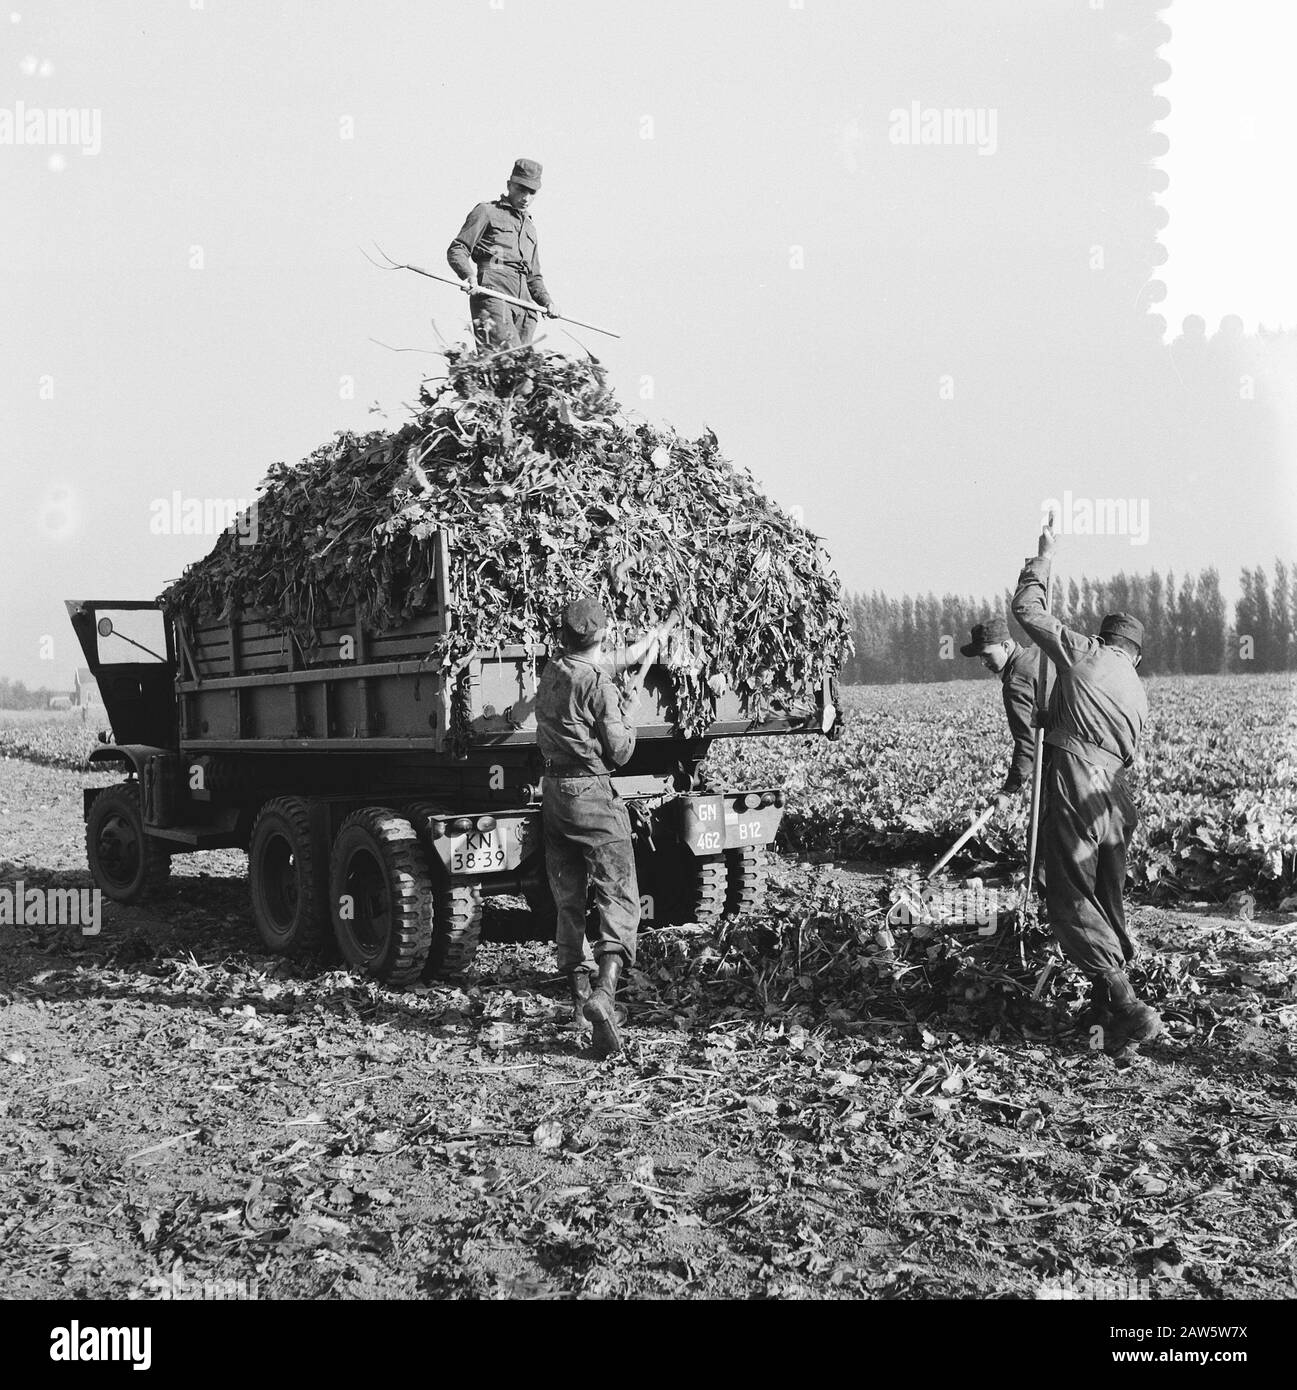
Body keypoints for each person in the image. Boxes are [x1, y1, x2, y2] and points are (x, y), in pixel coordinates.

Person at [1012, 519, 1161, 1050]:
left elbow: (1028, 614)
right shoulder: (1138, 690)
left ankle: (1123, 998)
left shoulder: (1087, 653)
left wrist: (1043, 556)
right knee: (1106, 895)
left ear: (1105, 639)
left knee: (1070, 892)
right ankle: (1108, 1013)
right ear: (1137, 655)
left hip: (1079, 779)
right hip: (1118, 797)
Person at [535, 597, 676, 1059]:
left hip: (553, 797)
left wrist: (640, 650)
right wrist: (628, 712)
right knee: (619, 895)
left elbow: (595, 664)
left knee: (569, 898)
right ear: (600, 635)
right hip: (591, 797)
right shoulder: (599, 687)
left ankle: (579, 999)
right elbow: (619, 752)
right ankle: (605, 992)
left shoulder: (552, 673)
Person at [446, 158, 560, 350]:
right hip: (494, 296)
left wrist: (548, 302)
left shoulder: (530, 229)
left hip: (525, 307)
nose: (525, 197)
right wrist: (468, 275)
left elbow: (533, 277)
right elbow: (458, 248)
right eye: (521, 189)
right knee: (511, 362)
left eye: (531, 192)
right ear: (509, 185)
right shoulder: (487, 211)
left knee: (523, 372)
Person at [960, 616, 1037, 811]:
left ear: (1005, 646)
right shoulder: (1037, 655)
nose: (983, 663)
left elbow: (1028, 744)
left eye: (986, 655)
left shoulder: (1016, 683)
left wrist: (1008, 791)